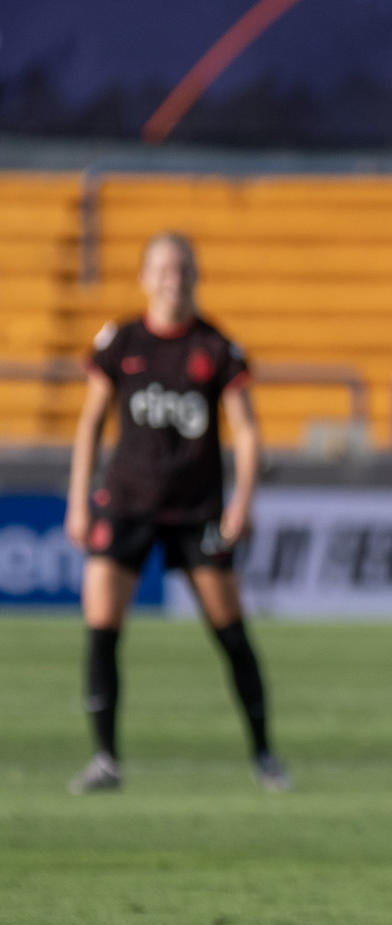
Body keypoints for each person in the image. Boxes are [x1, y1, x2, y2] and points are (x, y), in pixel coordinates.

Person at [63, 231, 288, 795]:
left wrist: (241, 503)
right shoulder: (121, 341)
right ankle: (105, 759)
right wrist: (77, 498)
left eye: (182, 268)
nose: (173, 277)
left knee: (231, 634)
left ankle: (264, 755)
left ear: (196, 275)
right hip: (127, 503)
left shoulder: (216, 348)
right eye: (162, 268)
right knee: (102, 631)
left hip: (196, 510)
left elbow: (249, 433)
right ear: (143, 278)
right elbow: (90, 422)